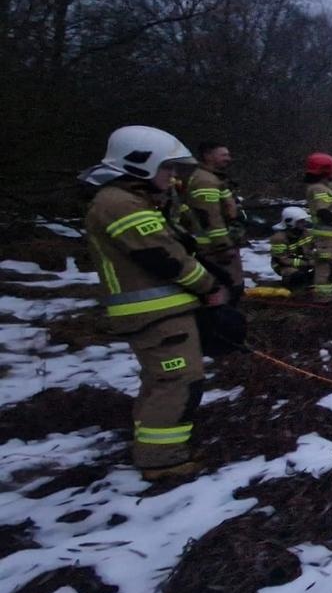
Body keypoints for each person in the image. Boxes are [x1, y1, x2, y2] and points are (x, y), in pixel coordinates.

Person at [80, 126, 227, 481]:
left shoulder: (126, 200)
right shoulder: (120, 204)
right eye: (167, 169)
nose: (172, 176)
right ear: (140, 164)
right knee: (178, 381)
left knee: (162, 380)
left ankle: (152, 448)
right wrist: (209, 286)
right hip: (155, 313)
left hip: (160, 311)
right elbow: (166, 258)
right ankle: (163, 461)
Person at [179, 141, 246, 299]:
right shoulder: (205, 181)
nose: (228, 158)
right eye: (223, 155)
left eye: (228, 155)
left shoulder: (213, 178)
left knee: (232, 285)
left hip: (222, 244)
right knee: (228, 287)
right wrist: (223, 246)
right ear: (208, 156)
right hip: (215, 249)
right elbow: (210, 217)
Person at [304, 152, 332, 303]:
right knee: (325, 269)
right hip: (326, 237)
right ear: (325, 170)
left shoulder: (326, 188)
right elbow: (323, 211)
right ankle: (323, 298)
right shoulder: (318, 189)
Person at [269, 206, 315, 290]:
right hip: (283, 266)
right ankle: (289, 281)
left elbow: (317, 244)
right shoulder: (279, 238)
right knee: (297, 277)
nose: (304, 223)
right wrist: (308, 263)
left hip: (305, 262)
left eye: (304, 220)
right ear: (290, 222)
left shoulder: (307, 233)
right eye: (300, 221)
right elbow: (283, 260)